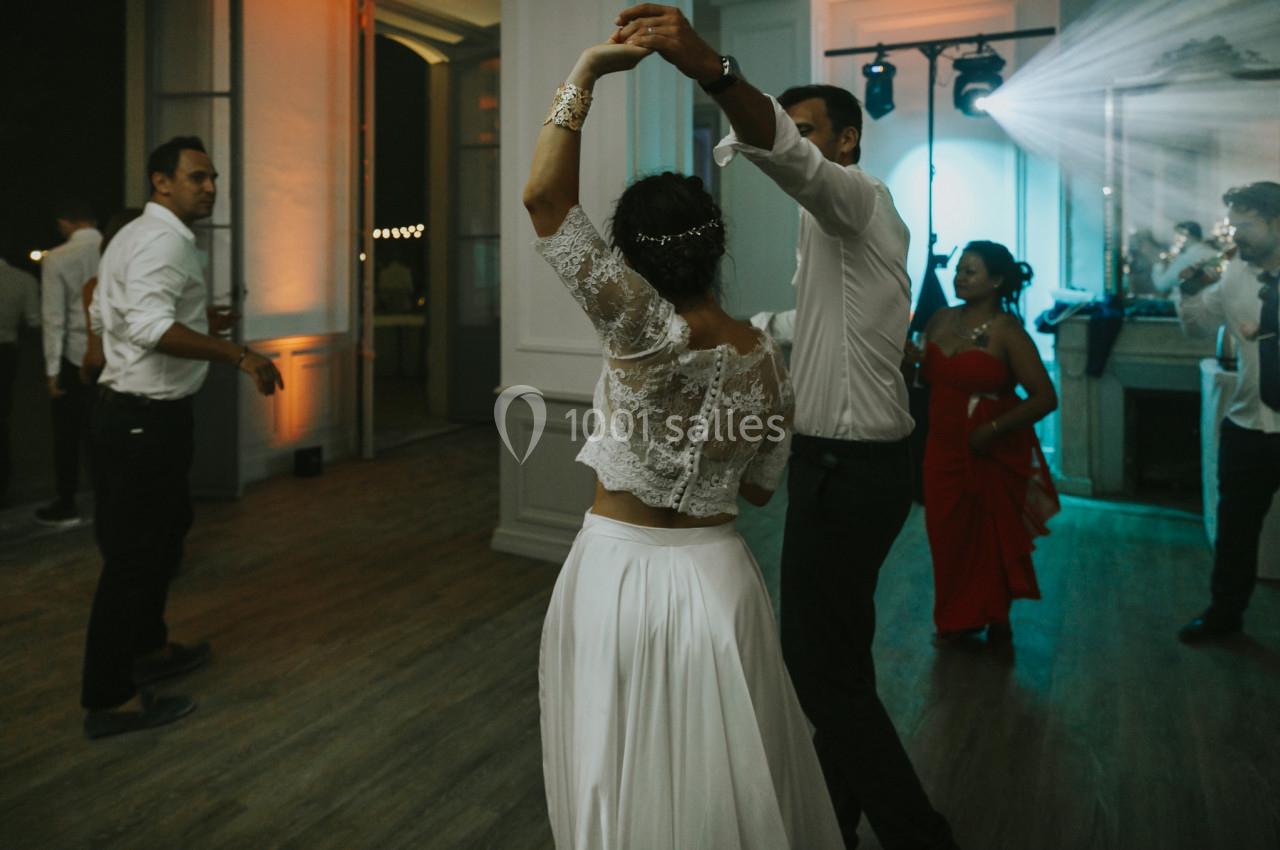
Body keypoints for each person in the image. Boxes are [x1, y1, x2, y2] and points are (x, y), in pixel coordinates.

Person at [613, 6, 959, 848]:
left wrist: (711, 68)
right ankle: (835, 816)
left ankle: (918, 833)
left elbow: (790, 161)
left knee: (816, 665)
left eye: (809, 133)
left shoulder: (859, 200)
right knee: (842, 659)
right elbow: (820, 321)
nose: (797, 146)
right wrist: (752, 327)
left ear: (845, 144)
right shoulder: (827, 232)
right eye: (792, 129)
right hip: (843, 465)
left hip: (853, 468)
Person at [525, 41, 844, 848]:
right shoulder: (768, 359)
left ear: (629, 259)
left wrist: (586, 73)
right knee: (728, 789)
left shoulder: (638, 325)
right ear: (716, 247)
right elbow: (764, 487)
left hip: (618, 574)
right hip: (719, 581)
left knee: (614, 773)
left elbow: (543, 199)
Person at [81, 136, 283, 739]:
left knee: (163, 540)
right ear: (160, 182)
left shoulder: (132, 235)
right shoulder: (165, 239)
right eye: (197, 177)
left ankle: (147, 648)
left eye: (213, 177)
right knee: (134, 560)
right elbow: (144, 325)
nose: (211, 187)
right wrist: (237, 354)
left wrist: (199, 324)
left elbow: (105, 310)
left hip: (135, 415)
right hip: (144, 419)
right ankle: (109, 700)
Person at [909, 242, 1059, 645]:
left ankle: (994, 616)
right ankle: (955, 618)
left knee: (988, 536)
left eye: (970, 271)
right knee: (946, 536)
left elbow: (1045, 396)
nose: (959, 277)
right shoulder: (940, 319)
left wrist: (992, 430)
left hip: (987, 449)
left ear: (995, 280)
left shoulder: (1007, 331)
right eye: (958, 269)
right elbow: (924, 374)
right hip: (940, 448)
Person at [1175, 181, 1280, 642]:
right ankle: (1224, 615)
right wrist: (1188, 290)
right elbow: (1198, 326)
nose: (1237, 235)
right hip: (1247, 422)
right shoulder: (1235, 272)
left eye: (1247, 225)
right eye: (1234, 225)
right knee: (1236, 528)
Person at [36, 198, 101, 526]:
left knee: (67, 434)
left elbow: (53, 318)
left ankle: (67, 502)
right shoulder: (113, 250)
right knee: (103, 431)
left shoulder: (58, 258)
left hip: (74, 355)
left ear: (65, 223)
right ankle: (108, 499)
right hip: (110, 355)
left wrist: (51, 370)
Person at [79, 208, 144, 385]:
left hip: (118, 386)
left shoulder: (98, 287)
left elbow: (96, 357)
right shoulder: (162, 283)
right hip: (169, 390)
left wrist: (85, 372)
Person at [0, 234, 41, 506]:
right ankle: (3, 478)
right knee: (2, 413)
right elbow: (34, 320)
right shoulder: (23, 279)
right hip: (5, 351)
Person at [1153, 220, 1217, 294]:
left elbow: (1162, 285)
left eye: (1178, 234)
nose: (1175, 239)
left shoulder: (1186, 258)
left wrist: (1159, 265)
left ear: (1187, 235)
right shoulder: (1213, 253)